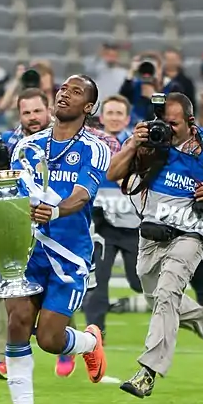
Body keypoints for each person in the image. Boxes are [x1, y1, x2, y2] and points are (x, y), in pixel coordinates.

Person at [0, 75, 110, 404]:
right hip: (28, 250)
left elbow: (82, 195)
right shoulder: (27, 146)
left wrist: (56, 210)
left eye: (75, 92)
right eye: (63, 89)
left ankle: (90, 342)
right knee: (16, 322)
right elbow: (13, 196)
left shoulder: (95, 148)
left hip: (70, 256)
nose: (65, 94)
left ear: (88, 106)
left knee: (49, 339)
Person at [107, 92, 203, 399]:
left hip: (193, 230)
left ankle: (148, 372)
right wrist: (133, 143)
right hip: (153, 230)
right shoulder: (150, 141)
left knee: (167, 293)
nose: (166, 128)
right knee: (154, 295)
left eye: (173, 124)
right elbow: (113, 174)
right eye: (163, 122)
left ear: (191, 121)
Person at [83, 95, 142, 340]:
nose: (115, 118)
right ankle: (96, 335)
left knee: (140, 281)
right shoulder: (91, 146)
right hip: (102, 225)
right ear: (102, 117)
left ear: (127, 119)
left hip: (133, 224)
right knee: (98, 281)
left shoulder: (140, 146)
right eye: (110, 113)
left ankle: (176, 312)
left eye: (119, 113)